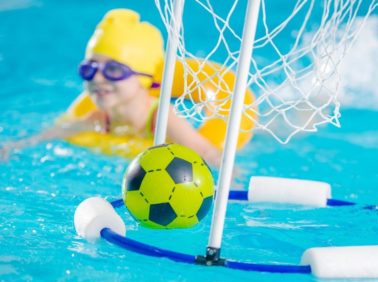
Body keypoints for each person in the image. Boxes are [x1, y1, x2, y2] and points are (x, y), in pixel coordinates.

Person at [0, 9, 222, 167]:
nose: (97, 77)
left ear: (145, 77)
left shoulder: (161, 118)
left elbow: (207, 153)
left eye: (114, 70)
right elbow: (56, 133)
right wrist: (15, 146)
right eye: (89, 68)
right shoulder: (99, 119)